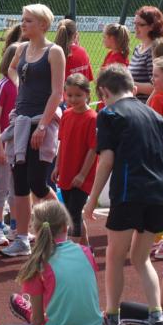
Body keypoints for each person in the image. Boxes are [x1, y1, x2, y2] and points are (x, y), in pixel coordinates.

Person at [83, 64, 163, 325]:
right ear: (131, 87)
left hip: (129, 192)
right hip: (160, 193)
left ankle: (112, 319)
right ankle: (157, 318)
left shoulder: (109, 114)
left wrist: (92, 199)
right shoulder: (154, 115)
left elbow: (106, 160)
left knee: (114, 255)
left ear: (104, 91)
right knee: (141, 257)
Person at [0, 200, 101, 325]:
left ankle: (26, 313)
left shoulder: (39, 262)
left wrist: (33, 316)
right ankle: (29, 311)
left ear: (36, 230)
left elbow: (37, 321)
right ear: (66, 226)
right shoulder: (86, 252)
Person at [1, 4, 65, 258]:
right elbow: (11, 68)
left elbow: (57, 93)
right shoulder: (22, 49)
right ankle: (21, 239)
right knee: (19, 183)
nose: (23, 24)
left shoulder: (54, 52)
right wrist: (20, 86)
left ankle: (62, 227)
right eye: (23, 19)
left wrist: (43, 125)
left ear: (43, 25)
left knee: (37, 182)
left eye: (28, 20)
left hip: (41, 121)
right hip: (20, 121)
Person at [51, 74, 97, 245]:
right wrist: (57, 166)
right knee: (72, 212)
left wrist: (82, 175)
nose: (73, 99)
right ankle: (86, 250)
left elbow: (93, 149)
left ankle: (73, 250)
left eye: (78, 95)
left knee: (73, 214)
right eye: (69, 95)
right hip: (66, 171)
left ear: (87, 94)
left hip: (82, 175)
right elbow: (62, 142)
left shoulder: (92, 118)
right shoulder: (67, 114)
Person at [0, 44, 19, 240]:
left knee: (17, 188)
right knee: (1, 186)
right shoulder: (2, 85)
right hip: (5, 143)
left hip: (20, 144)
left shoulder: (23, 84)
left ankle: (15, 227)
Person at [129, 6, 163, 102]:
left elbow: (157, 86)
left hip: (148, 106)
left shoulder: (155, 50)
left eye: (140, 25)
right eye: (135, 23)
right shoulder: (138, 48)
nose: (135, 27)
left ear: (152, 26)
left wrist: (128, 84)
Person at [56, 19, 94, 83]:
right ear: (75, 35)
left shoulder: (55, 53)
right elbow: (88, 78)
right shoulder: (82, 51)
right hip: (83, 89)